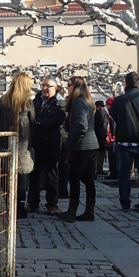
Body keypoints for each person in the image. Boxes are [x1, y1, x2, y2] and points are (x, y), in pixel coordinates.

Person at [109, 72, 139, 212]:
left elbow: (114, 118)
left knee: (124, 174)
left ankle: (125, 203)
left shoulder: (118, 101)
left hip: (123, 143)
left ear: (125, 83)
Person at [0, 72, 35, 219]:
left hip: (4, 146)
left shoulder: (3, 100)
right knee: (21, 180)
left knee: (5, 178)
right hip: (22, 147)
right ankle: (19, 208)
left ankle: (9, 205)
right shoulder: (28, 103)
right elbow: (33, 123)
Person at [57, 78, 99, 222]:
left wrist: (71, 141)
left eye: (68, 85)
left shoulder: (78, 102)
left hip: (82, 146)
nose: (67, 88)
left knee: (74, 178)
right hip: (89, 145)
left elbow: (82, 125)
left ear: (74, 87)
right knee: (87, 179)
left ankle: (72, 212)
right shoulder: (85, 101)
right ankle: (88, 212)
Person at [26, 76, 66, 215]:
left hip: (52, 143)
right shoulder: (36, 101)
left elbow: (58, 120)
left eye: (48, 86)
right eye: (43, 85)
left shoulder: (60, 102)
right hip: (36, 142)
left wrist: (38, 122)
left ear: (55, 88)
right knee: (34, 174)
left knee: (51, 175)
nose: (45, 88)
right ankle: (32, 202)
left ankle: (52, 204)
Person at [105, 96, 117, 180]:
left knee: (113, 157)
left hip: (113, 138)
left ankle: (114, 173)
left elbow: (114, 126)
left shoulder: (112, 114)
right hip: (113, 137)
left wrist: (112, 136)